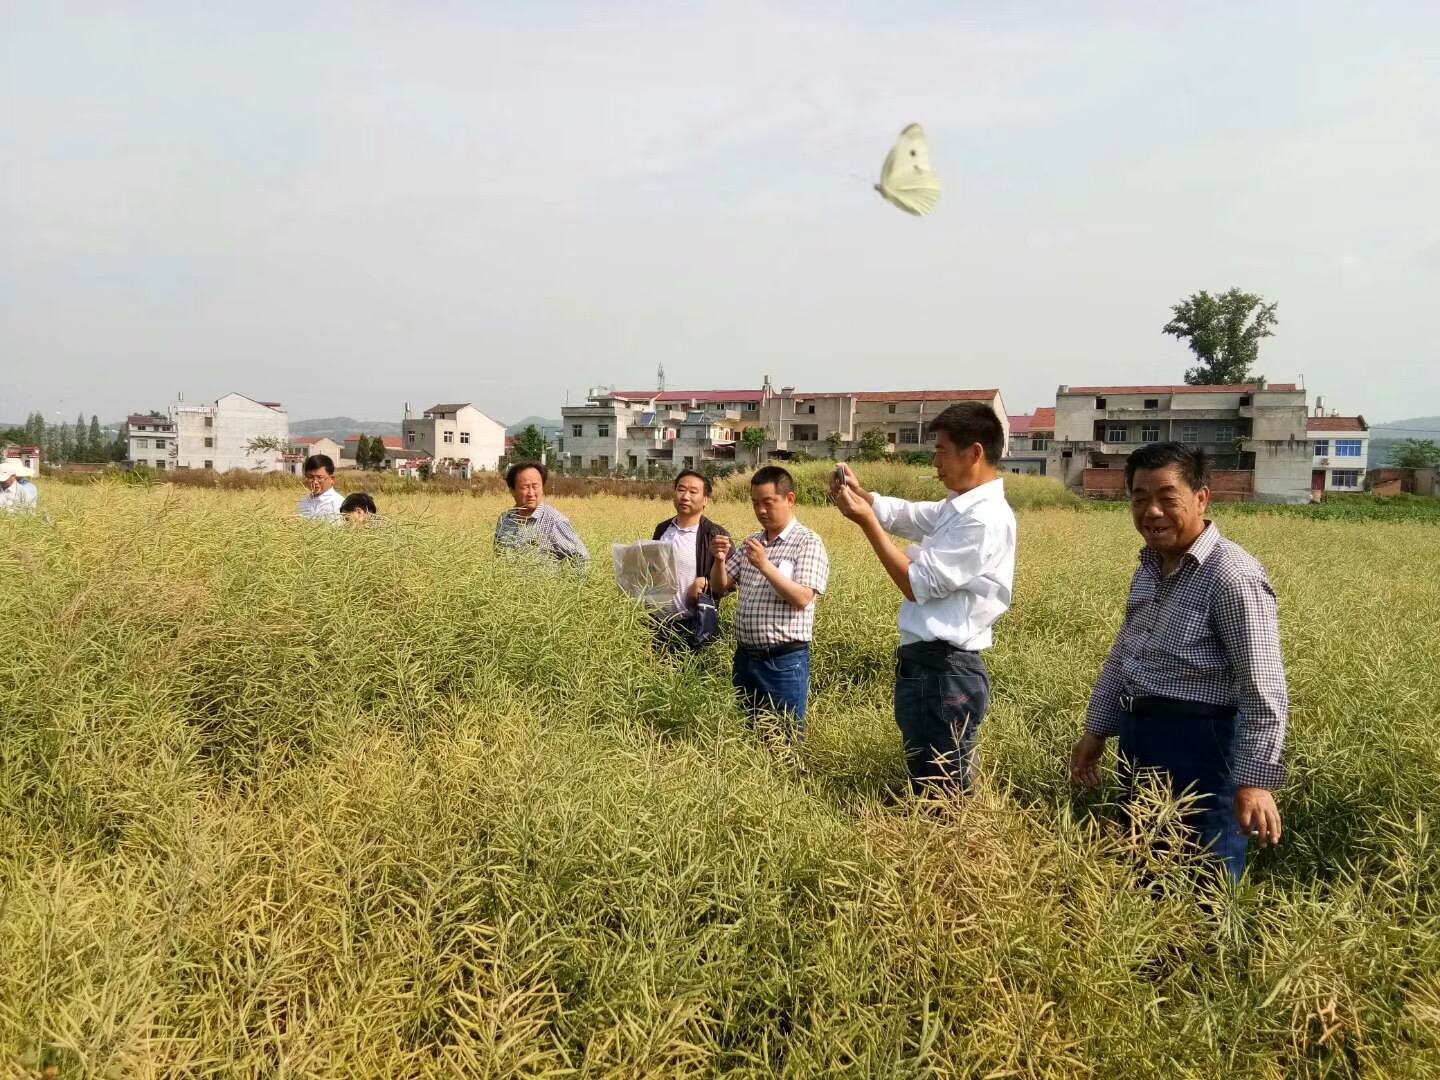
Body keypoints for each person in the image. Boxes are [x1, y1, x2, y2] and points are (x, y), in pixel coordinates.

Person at [1069, 442, 1288, 883]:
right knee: (1144, 874)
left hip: (1203, 749)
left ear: (1201, 498)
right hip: (1141, 741)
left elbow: (1262, 686)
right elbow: (1126, 654)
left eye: (1167, 497)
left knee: (1203, 880)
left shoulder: (1232, 575)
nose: (1152, 512)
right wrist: (1097, 731)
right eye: (1139, 498)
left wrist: (1254, 781)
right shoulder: (1150, 567)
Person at [830, 402, 1016, 797]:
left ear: (975, 452)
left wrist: (866, 522)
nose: (935, 462)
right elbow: (911, 516)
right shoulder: (960, 507)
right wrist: (865, 497)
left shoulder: (983, 519)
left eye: (941, 450)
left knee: (943, 789)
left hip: (947, 669)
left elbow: (916, 584)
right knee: (927, 777)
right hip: (931, 665)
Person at [711, 465, 829, 737]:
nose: (761, 510)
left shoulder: (807, 542)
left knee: (784, 737)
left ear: (790, 499)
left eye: (768, 502)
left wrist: (765, 565)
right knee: (747, 734)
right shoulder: (752, 542)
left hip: (783, 661)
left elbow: (802, 598)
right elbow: (719, 587)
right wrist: (718, 560)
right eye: (755, 503)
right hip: (745, 658)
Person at [650, 470, 730, 652]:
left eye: (693, 492)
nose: (685, 496)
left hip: (693, 627)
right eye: (681, 489)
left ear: (705, 500)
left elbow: (729, 583)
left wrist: (706, 583)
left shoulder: (716, 535)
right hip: (657, 625)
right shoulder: (662, 529)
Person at [494, 462, 589, 568]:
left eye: (535, 486)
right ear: (512, 491)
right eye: (525, 487)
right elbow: (498, 557)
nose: (531, 493)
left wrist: (569, 579)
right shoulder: (505, 519)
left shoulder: (555, 521)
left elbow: (582, 558)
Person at [298, 454, 344, 521]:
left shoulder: (339, 505)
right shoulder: (304, 503)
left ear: (332, 479)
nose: (315, 482)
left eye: (320, 477)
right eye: (310, 477)